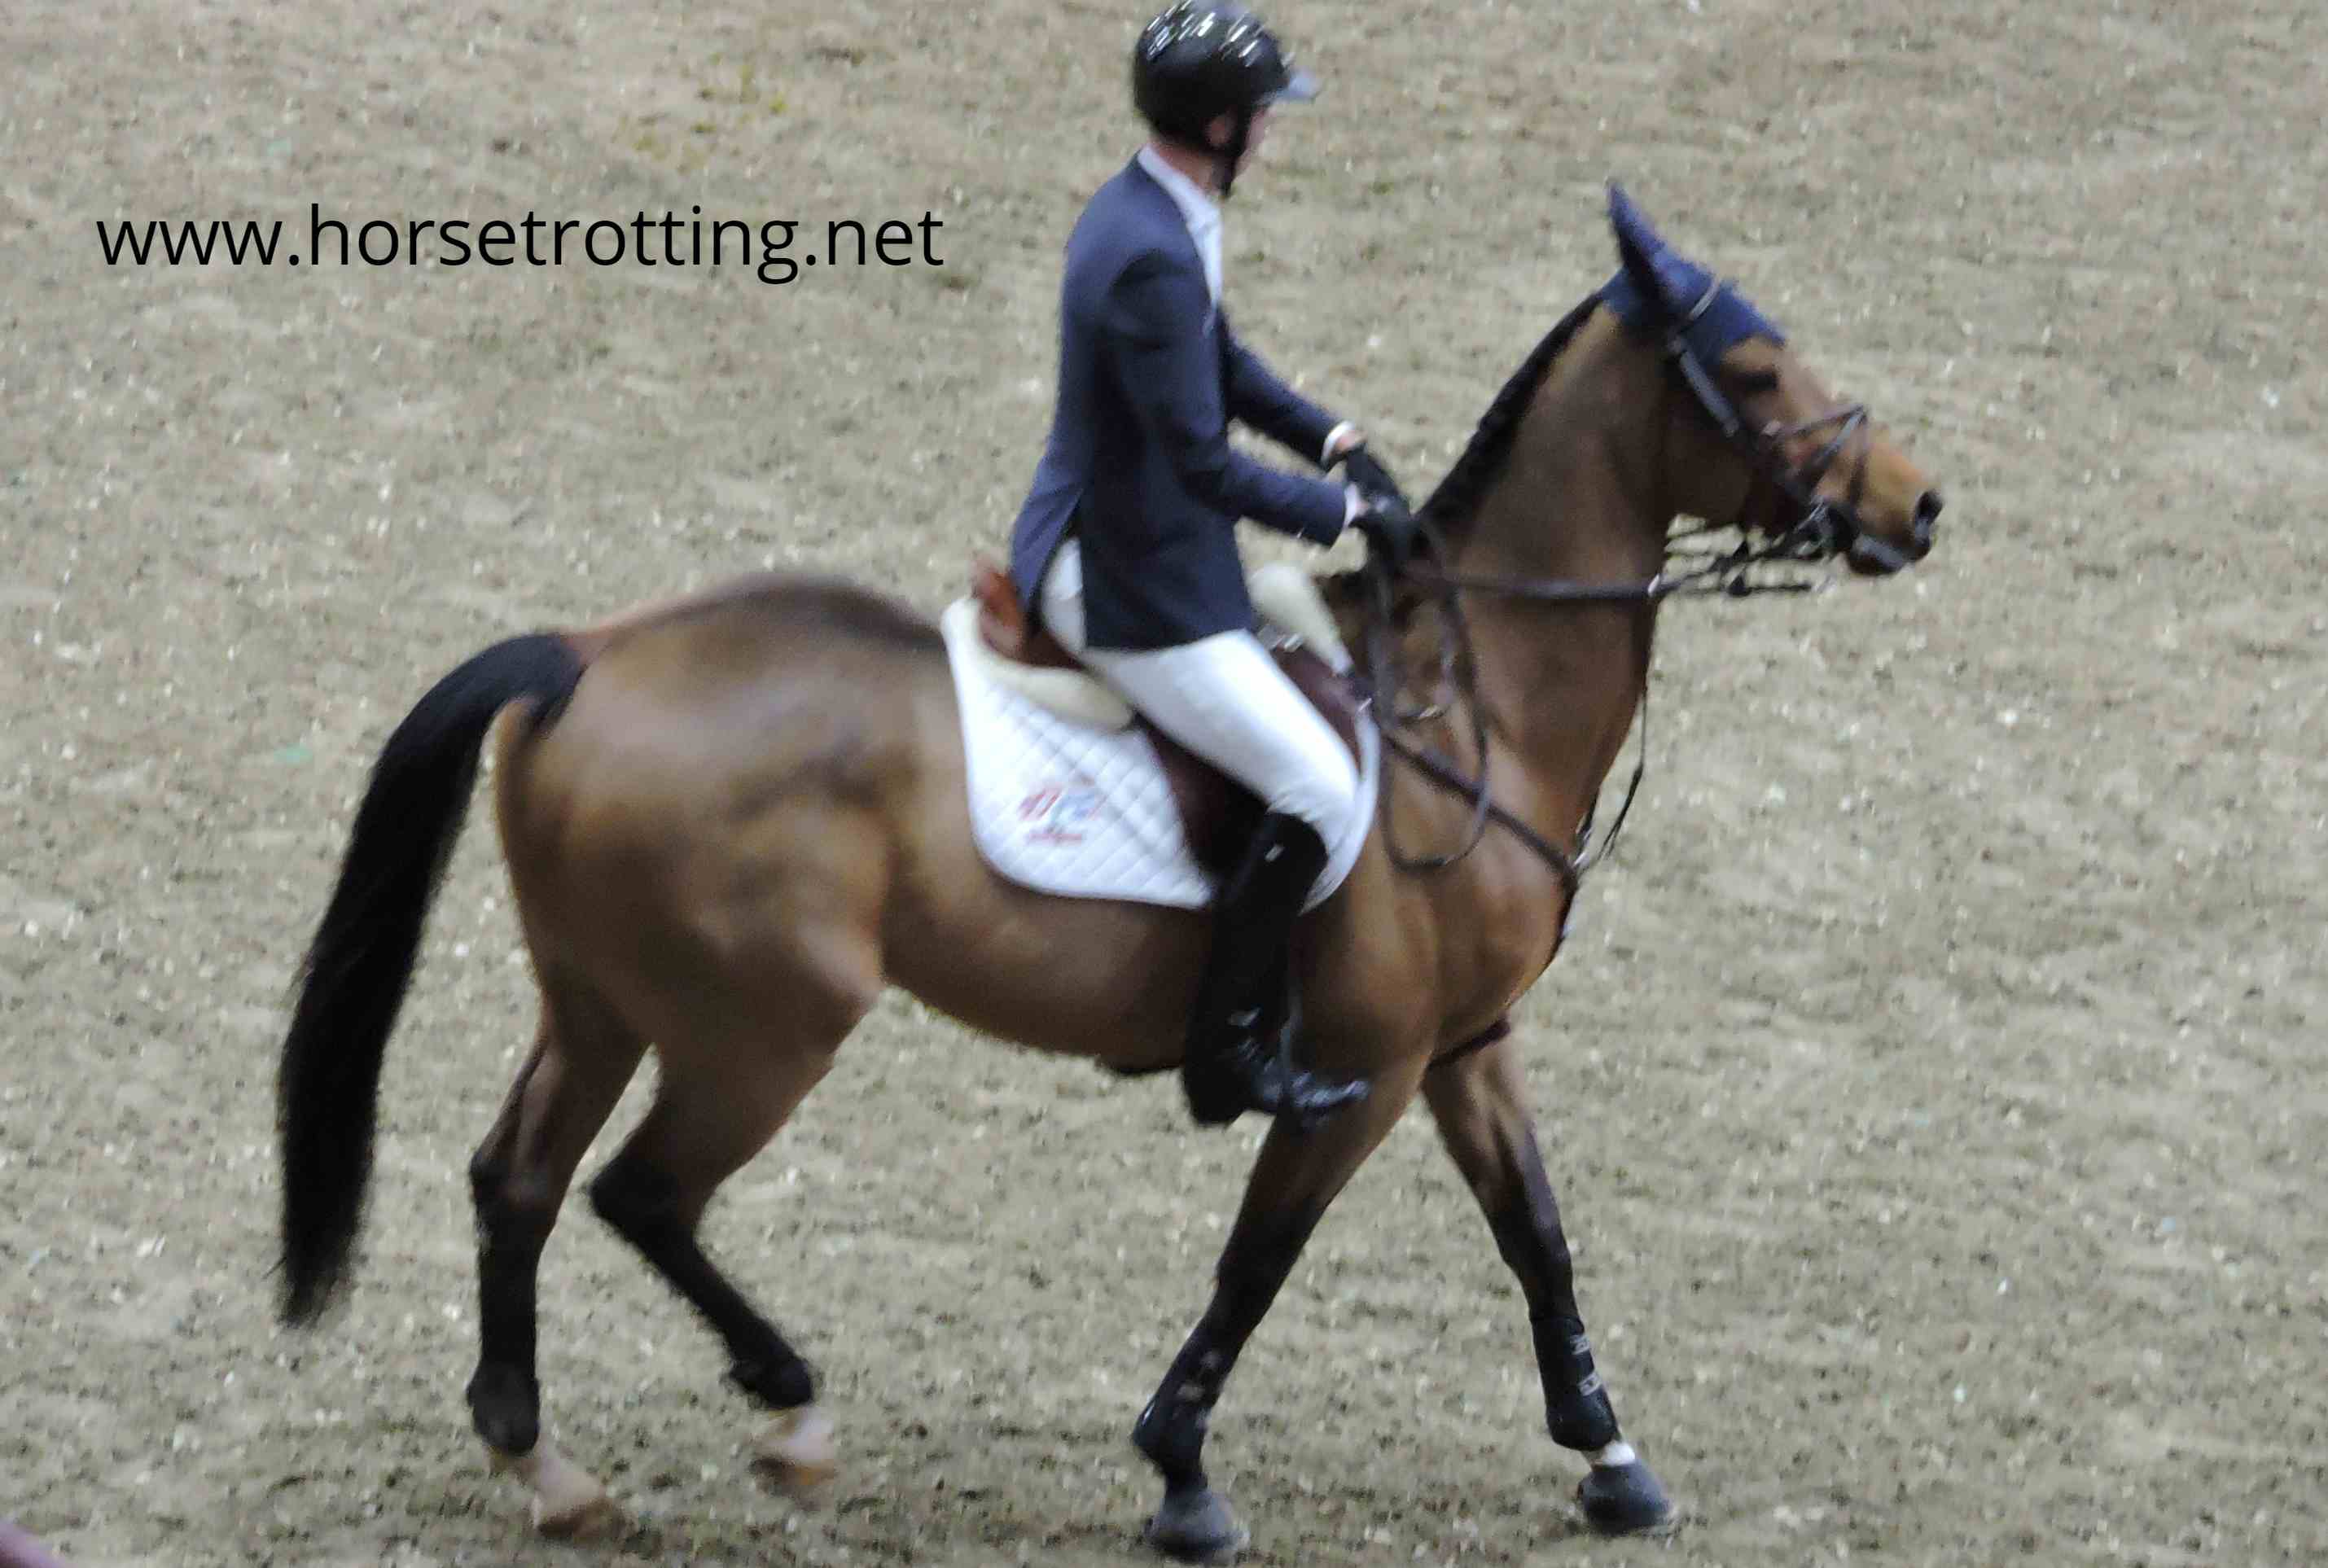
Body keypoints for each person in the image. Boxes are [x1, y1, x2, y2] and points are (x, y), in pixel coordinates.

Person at [1006, 1, 1420, 1130]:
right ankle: (1226, 1047)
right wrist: (1342, 514)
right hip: (1125, 581)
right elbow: (1196, 459)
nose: (1273, 132)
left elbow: (1217, 358)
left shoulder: (1159, 208)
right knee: (1319, 786)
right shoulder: (1146, 250)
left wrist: (1330, 436)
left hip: (1152, 545)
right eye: (1262, 115)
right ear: (1221, 123)